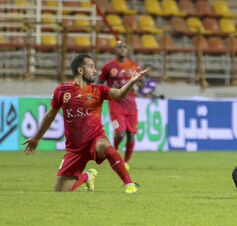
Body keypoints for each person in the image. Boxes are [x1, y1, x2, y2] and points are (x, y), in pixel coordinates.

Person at [23, 54, 146, 193]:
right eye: (91, 67)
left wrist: (132, 81)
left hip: (95, 139)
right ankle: (88, 176)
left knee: (104, 146)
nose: (95, 70)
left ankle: (129, 185)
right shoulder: (62, 91)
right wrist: (37, 137)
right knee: (61, 191)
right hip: (75, 149)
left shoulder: (98, 90)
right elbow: (50, 114)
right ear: (80, 70)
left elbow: (120, 93)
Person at [98, 40, 140, 169]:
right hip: (116, 105)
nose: (122, 49)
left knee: (131, 135)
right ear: (115, 50)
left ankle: (125, 162)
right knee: (120, 133)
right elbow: (99, 82)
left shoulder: (134, 66)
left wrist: (137, 83)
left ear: (127, 50)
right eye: (119, 47)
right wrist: (107, 91)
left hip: (131, 106)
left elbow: (141, 84)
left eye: (124, 47)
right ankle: (114, 154)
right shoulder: (109, 66)